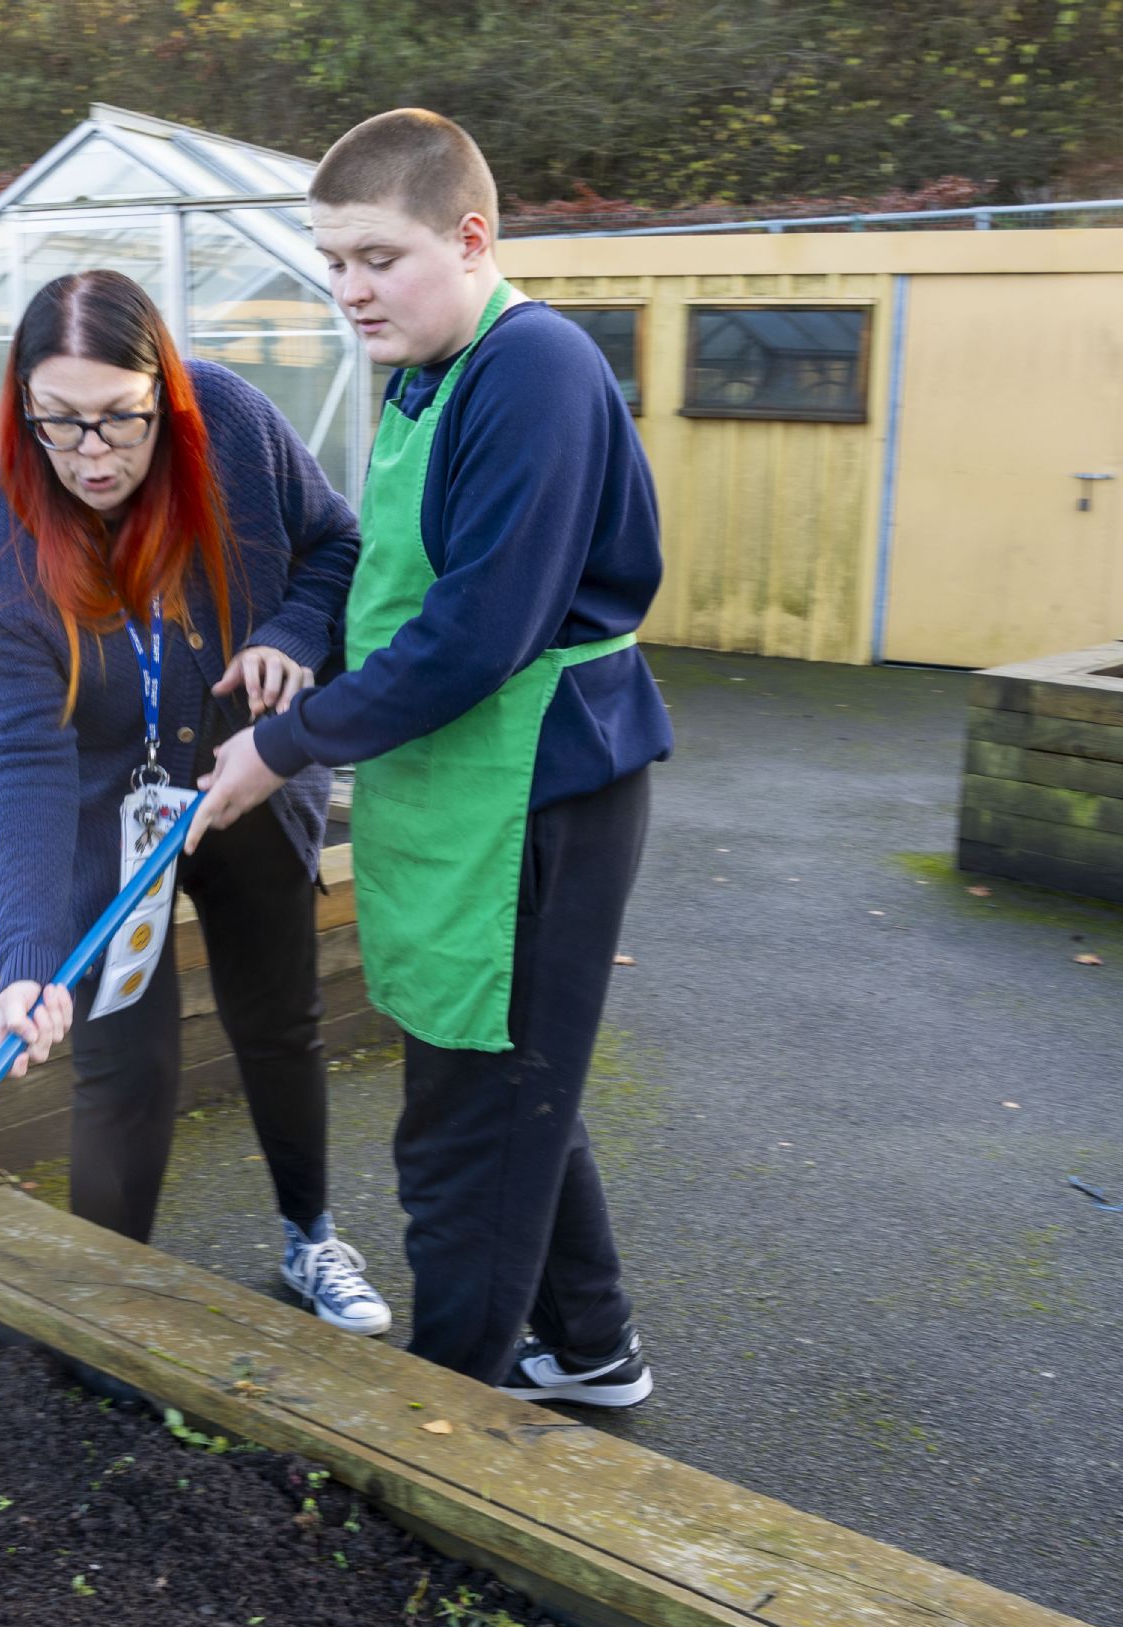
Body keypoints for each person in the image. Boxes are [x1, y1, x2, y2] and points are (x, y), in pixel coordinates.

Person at [188, 109, 669, 1407]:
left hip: (536, 788)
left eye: (378, 257)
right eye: (331, 259)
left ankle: (447, 1421)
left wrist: (279, 750)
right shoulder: (430, 373)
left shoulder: (535, 372)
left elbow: (477, 636)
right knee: (515, 1084)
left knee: (466, 1124)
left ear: (470, 239)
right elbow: (386, 570)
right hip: (466, 785)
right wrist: (304, 645)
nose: (349, 288)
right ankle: (590, 1347)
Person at [0, 268, 393, 1335]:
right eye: (60, 425)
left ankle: (311, 1234)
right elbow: (22, 752)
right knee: (121, 1060)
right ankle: (104, 1314)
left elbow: (338, 545)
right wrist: (25, 963)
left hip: (246, 782)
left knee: (278, 1021)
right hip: (116, 808)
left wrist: (293, 637)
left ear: (165, 392)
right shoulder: (6, 526)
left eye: (121, 419)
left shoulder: (235, 428)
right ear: (25, 409)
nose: (95, 455)